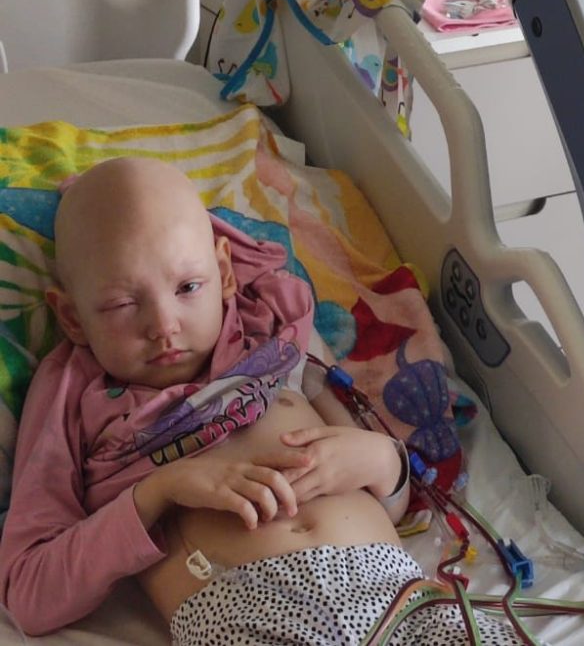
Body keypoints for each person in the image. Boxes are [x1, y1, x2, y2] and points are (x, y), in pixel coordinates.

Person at [0, 157, 520, 645]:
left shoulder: (275, 334)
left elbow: (392, 504)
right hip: (249, 614)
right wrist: (160, 491)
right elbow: (30, 593)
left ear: (224, 274)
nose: (163, 325)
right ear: (71, 318)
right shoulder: (71, 392)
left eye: (188, 286)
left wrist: (385, 461)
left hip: (399, 596)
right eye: (121, 303)